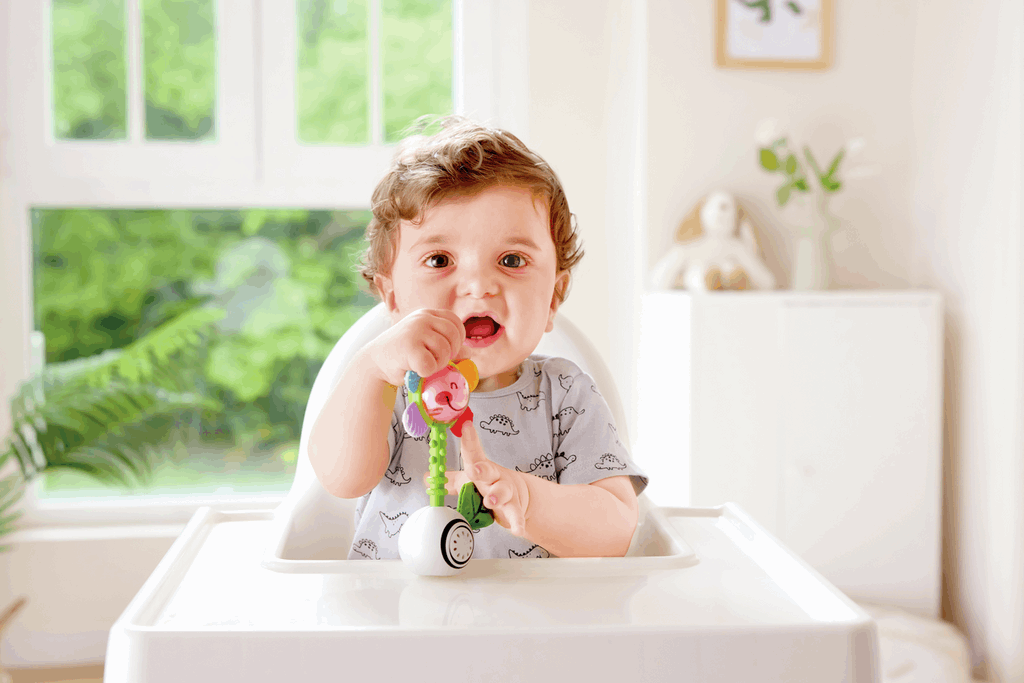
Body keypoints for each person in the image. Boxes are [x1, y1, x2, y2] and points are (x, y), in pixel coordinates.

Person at [308, 116, 647, 560]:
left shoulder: (566, 394)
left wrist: (527, 499)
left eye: (510, 259)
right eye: (439, 259)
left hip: (534, 623)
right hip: (397, 619)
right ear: (392, 299)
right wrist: (372, 369)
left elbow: (617, 532)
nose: (478, 285)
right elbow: (340, 478)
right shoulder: (389, 388)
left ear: (553, 297)